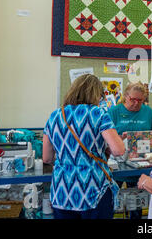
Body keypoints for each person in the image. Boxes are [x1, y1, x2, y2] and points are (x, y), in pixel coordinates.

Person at [43, 74, 125, 219]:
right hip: (93, 190)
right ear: (97, 95)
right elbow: (118, 151)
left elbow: (47, 157)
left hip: (62, 192)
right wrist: (114, 141)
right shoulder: (98, 113)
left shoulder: (55, 115)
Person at [108, 81, 152, 219]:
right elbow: (105, 138)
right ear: (126, 96)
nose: (136, 103)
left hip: (139, 165)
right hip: (117, 165)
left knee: (137, 205)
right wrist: (119, 137)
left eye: (140, 100)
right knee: (112, 203)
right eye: (133, 99)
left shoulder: (147, 111)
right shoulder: (114, 112)